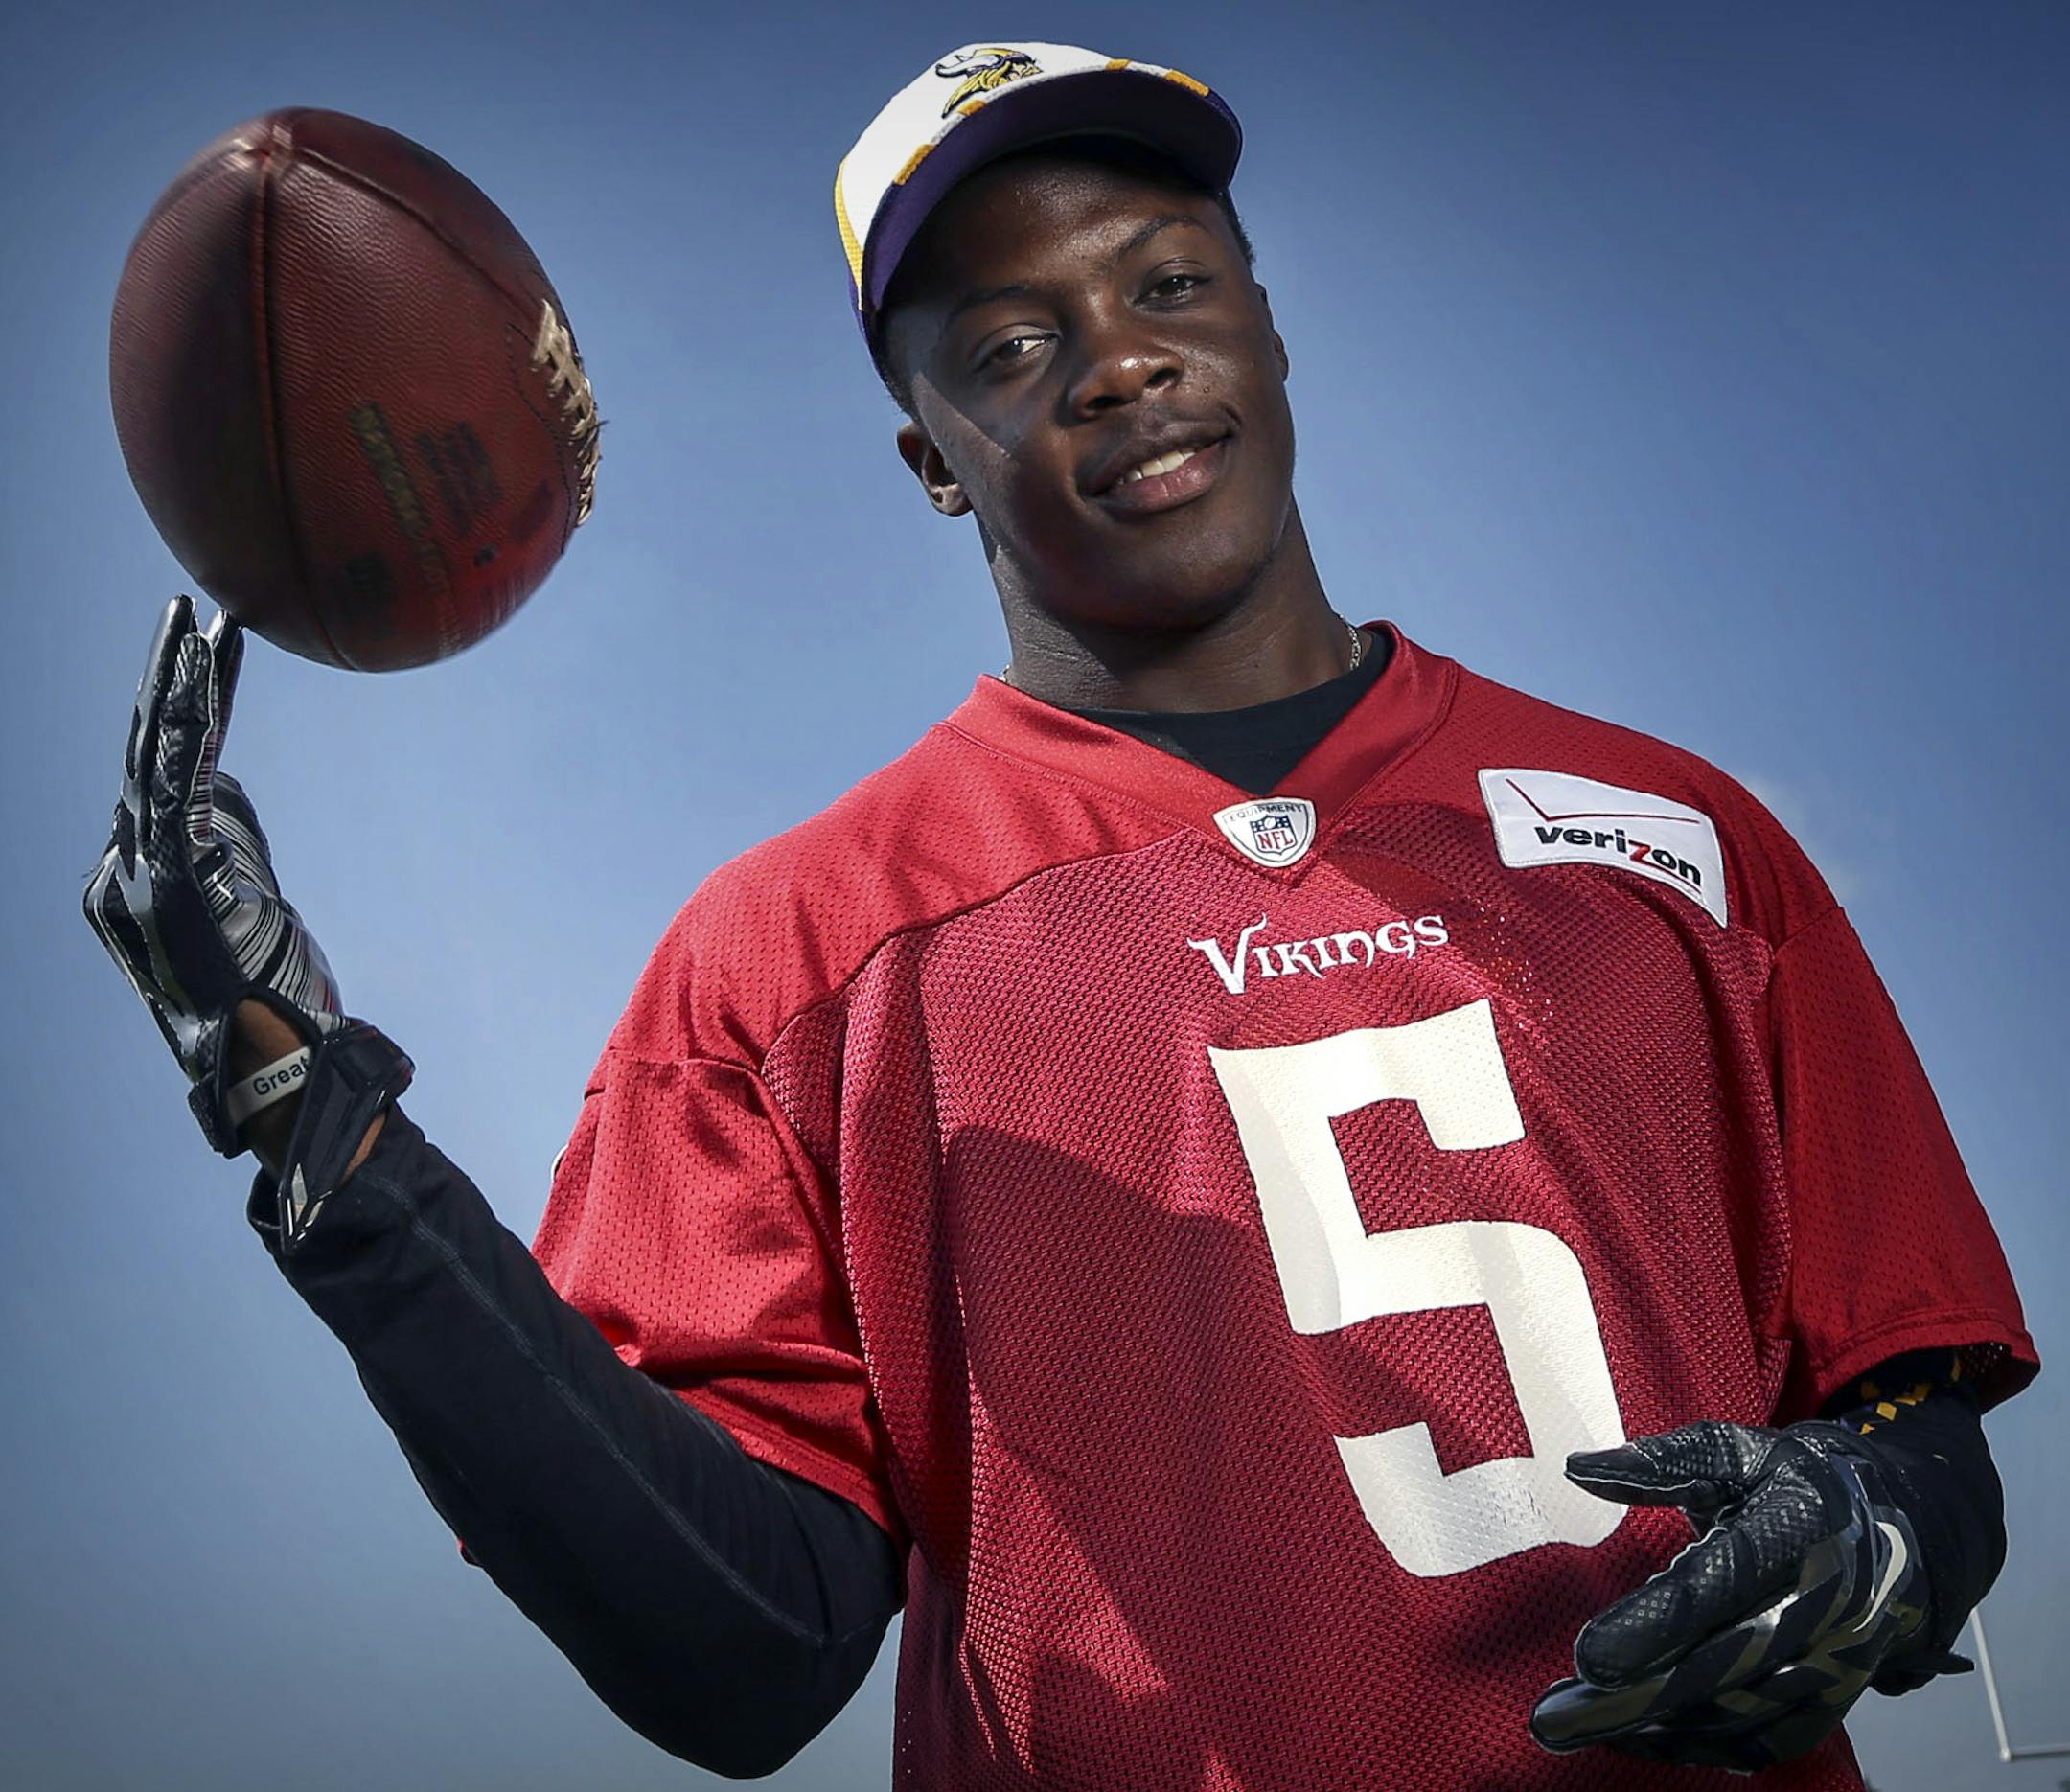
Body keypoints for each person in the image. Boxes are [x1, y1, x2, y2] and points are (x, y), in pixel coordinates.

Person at [85, 39, 2036, 1792]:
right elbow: (740, 1652)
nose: (1120, 359)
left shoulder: (1665, 836)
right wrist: (313, 1122)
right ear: (930, 456)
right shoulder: (789, 956)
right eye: (1012, 346)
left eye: (1170, 284)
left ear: (1270, 326)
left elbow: (1911, 1401)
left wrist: (1884, 1523)